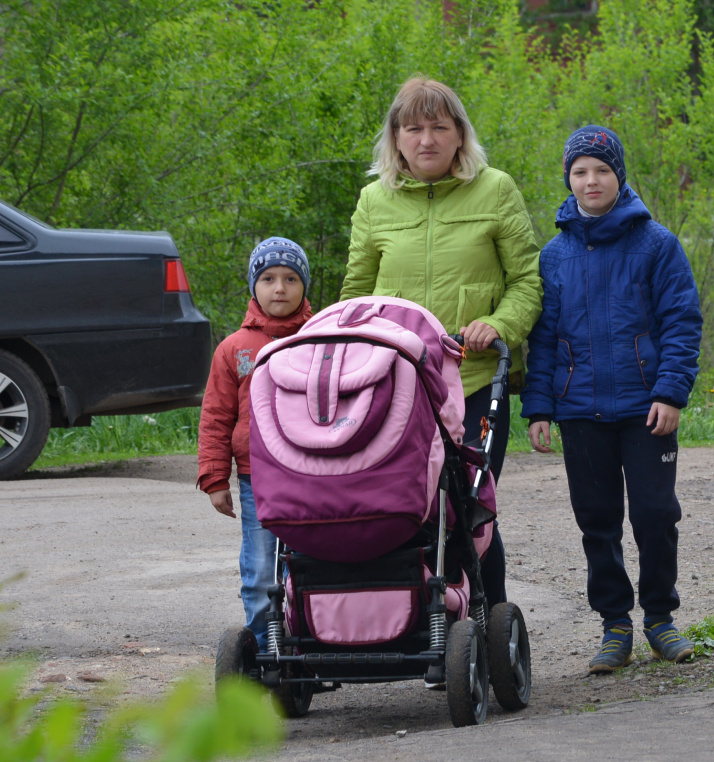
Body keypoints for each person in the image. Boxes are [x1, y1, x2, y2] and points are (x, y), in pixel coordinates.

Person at [341, 76, 542, 609]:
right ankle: (417, 623)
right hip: (396, 386)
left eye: (438, 127)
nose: (426, 139)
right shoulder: (373, 201)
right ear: (396, 138)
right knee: (400, 505)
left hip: (472, 381)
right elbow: (354, 299)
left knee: (469, 504)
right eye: (413, 128)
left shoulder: (495, 189)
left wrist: (498, 325)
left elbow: (528, 281)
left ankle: (489, 627)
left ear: (459, 136)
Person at [521, 125, 703, 674]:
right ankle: (615, 626)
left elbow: (682, 322)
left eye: (601, 170)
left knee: (654, 516)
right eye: (580, 171)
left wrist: (671, 392)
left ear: (619, 175)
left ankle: (660, 620)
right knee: (597, 521)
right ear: (568, 179)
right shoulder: (553, 255)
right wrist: (539, 408)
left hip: (647, 410)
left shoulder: (657, 245)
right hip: (580, 412)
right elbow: (545, 337)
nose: (591, 180)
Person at [198, 237, 314, 652]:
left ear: (305, 286)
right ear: (253, 286)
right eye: (267, 278)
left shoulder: (322, 337)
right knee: (261, 569)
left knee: (312, 564)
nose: (279, 288)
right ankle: (267, 652)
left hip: (313, 474)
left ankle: (311, 645)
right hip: (257, 478)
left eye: (289, 278)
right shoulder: (234, 349)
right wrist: (214, 477)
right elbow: (215, 417)